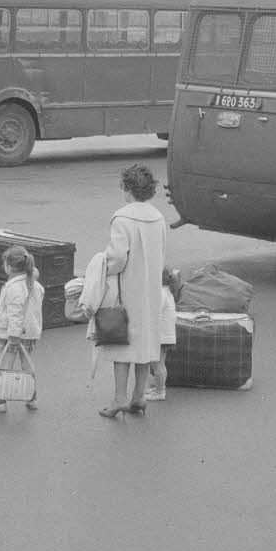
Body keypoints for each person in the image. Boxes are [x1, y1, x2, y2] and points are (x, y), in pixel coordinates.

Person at [90, 162, 167, 418]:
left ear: (127, 187)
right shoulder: (158, 217)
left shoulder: (122, 218)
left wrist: (103, 265)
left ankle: (119, 399)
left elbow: (117, 258)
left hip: (127, 289)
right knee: (145, 344)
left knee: (121, 344)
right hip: (151, 289)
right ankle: (139, 396)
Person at [0, 245, 44, 413]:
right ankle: (32, 398)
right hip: (30, 332)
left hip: (12, 334)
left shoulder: (13, 287)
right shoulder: (35, 285)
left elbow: (15, 313)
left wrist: (13, 335)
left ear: (10, 267)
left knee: (6, 365)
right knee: (27, 363)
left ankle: (0, 401)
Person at [145, 266, 179, 402]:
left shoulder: (160, 293)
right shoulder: (168, 292)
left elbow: (153, 312)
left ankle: (159, 392)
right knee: (161, 364)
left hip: (160, 336)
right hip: (167, 335)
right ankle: (160, 388)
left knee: (156, 365)